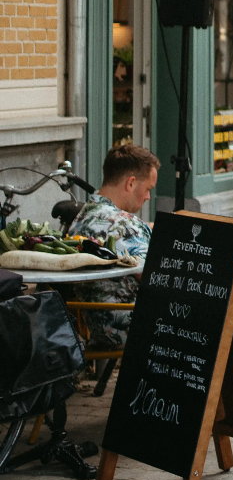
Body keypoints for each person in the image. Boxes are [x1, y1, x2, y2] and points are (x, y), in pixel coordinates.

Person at [64, 144, 159, 349]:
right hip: (132, 329)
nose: (148, 197)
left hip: (93, 325)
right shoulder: (126, 225)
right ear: (131, 183)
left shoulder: (83, 216)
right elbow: (156, 278)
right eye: (148, 189)